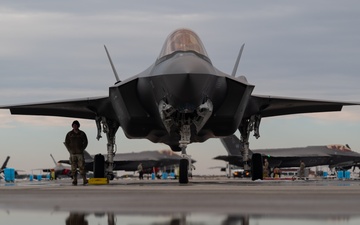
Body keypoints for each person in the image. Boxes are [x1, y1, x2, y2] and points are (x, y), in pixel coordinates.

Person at [64, 120, 88, 186]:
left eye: (76, 125)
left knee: (82, 167)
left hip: (80, 153)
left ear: (78, 126)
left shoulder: (82, 134)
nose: (75, 126)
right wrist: (70, 150)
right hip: (72, 153)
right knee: (73, 168)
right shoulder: (69, 134)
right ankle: (74, 180)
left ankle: (84, 179)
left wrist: (82, 149)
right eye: (74, 125)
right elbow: (67, 142)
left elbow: (85, 142)